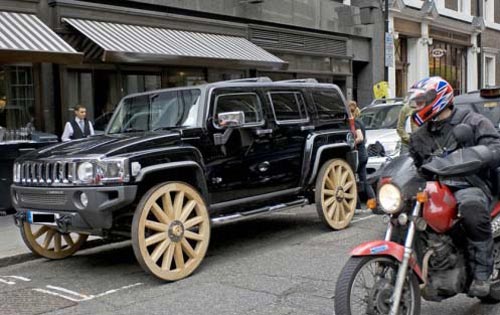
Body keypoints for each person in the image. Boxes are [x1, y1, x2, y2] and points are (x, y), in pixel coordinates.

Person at [408, 76, 500, 297]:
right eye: (416, 103)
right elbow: (412, 163)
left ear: (438, 99)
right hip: (434, 188)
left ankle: (481, 275)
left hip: (469, 183)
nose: (418, 107)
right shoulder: (420, 135)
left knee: (471, 207)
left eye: (422, 102)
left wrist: (474, 155)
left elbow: (494, 147)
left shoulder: (473, 121)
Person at [349, 100, 376, 207]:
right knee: (364, 180)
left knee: (353, 179)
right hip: (363, 153)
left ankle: (357, 204)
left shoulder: (354, 122)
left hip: (359, 154)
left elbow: (360, 137)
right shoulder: (360, 121)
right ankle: (373, 201)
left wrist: (352, 143)